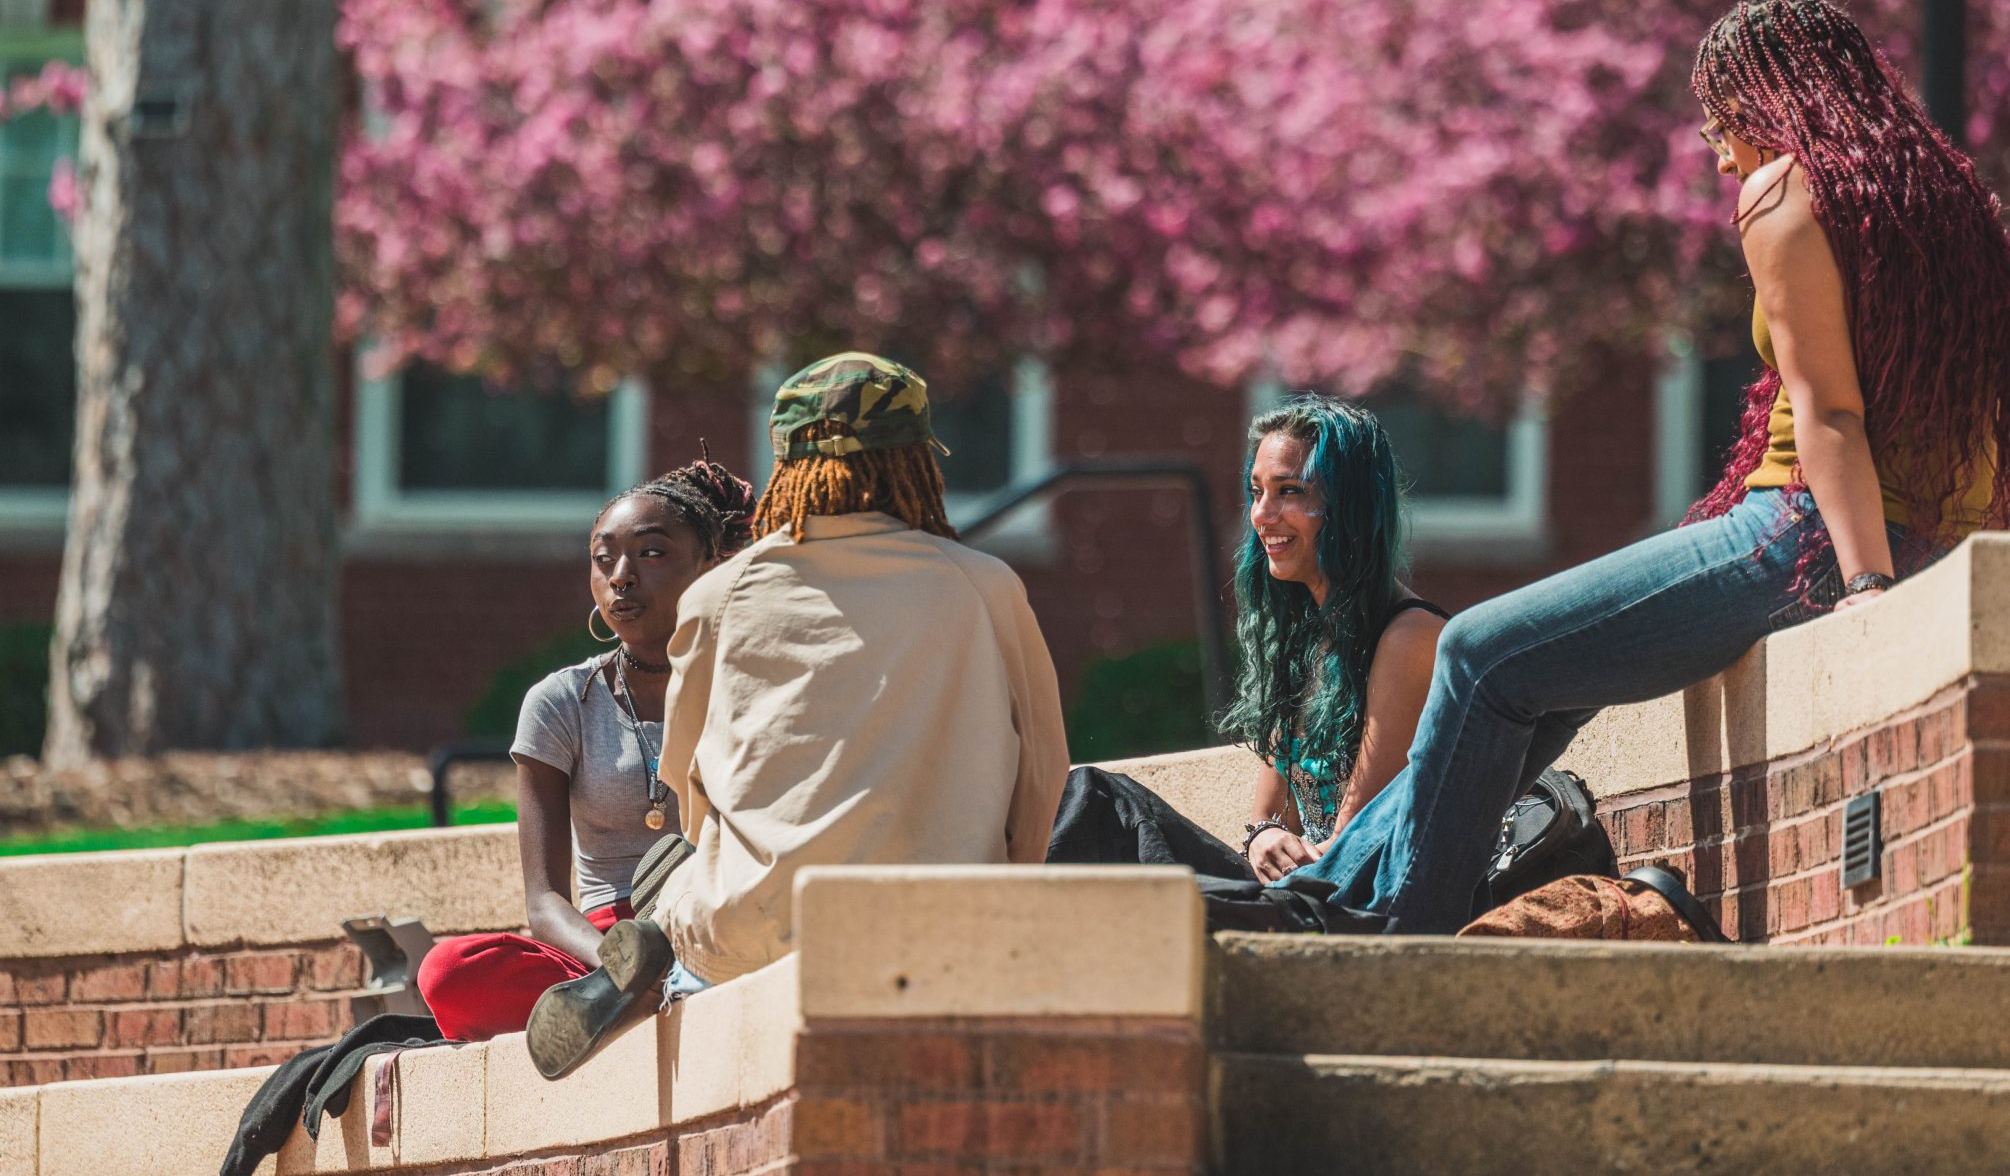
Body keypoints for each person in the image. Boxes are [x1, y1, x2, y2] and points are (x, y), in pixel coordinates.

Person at [1274, 0, 2010, 936]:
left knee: (1478, 652)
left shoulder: (1787, 193)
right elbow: (1991, 426)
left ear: (1777, 101)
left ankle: (1397, 941)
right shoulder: (1948, 205)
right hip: (1928, 536)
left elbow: (1831, 411)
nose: (1723, 157)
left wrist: (1868, 586)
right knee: (1535, 693)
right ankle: (1327, 890)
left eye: (1724, 126)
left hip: (1807, 531)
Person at [525, 352, 1071, 1077]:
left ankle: (644, 975)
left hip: (749, 935)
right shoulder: (985, 585)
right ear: (914, 461)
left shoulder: (721, 596)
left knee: (676, 875)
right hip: (935, 924)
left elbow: (689, 795)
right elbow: (1044, 777)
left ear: (787, 466)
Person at [413, 456, 755, 1042]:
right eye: (604, 559)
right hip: (606, 949)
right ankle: (635, 1000)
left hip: (716, 922)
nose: (621, 575)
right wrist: (621, 965)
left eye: (651, 554)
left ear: (711, 566)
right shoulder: (562, 701)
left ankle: (630, 1008)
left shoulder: (751, 686)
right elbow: (544, 902)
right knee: (450, 973)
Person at [1047, 395, 1447, 881]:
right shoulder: (1304, 636)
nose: (1263, 514)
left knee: (1096, 799)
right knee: (1088, 797)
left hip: (1350, 900)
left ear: (1351, 505)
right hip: (1295, 890)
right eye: (1257, 491)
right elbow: (1269, 815)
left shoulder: (1409, 637)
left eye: (1290, 491)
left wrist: (1282, 859)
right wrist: (1263, 838)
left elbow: (1356, 844)